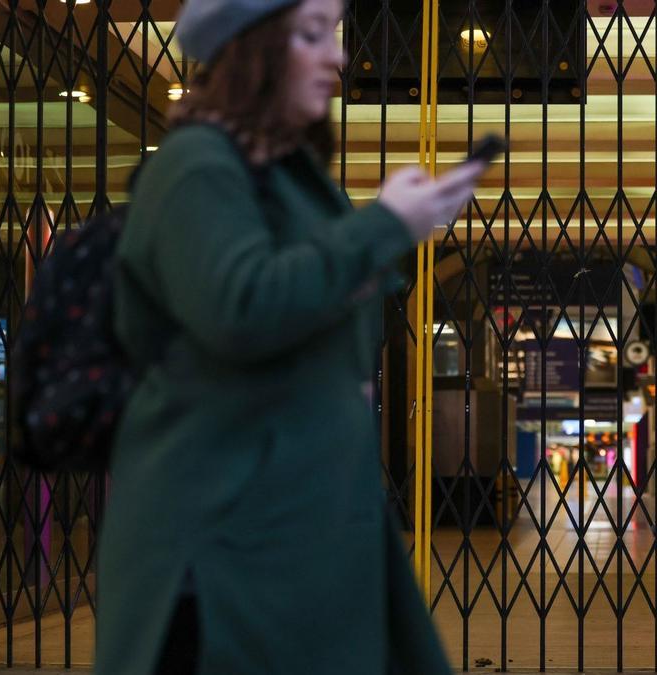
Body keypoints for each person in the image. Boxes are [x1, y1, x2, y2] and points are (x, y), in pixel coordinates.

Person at [93, 0, 485, 672]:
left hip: (301, 535)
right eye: (312, 34)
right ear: (254, 49)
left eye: (335, 32)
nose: (337, 57)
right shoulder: (194, 168)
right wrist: (384, 225)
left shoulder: (292, 176)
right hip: (228, 553)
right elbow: (242, 306)